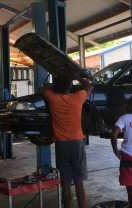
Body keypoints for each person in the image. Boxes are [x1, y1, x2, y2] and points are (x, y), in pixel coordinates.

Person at [42, 72, 93, 208]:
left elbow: (44, 86)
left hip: (61, 144)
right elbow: (89, 86)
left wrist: (56, 85)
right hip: (76, 142)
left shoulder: (52, 98)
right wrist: (77, 77)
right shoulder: (77, 97)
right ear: (69, 87)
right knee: (79, 181)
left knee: (64, 182)